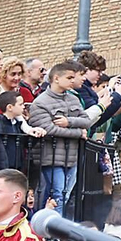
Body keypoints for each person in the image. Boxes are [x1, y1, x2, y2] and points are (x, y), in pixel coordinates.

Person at [27, 61, 93, 212]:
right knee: (57, 194)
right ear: (56, 78)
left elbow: (86, 121)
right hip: (50, 157)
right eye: (69, 77)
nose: (72, 81)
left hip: (71, 157)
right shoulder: (41, 102)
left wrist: (68, 121)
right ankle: (55, 231)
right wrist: (77, 132)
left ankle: (51, 227)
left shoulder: (73, 99)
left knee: (64, 194)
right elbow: (48, 129)